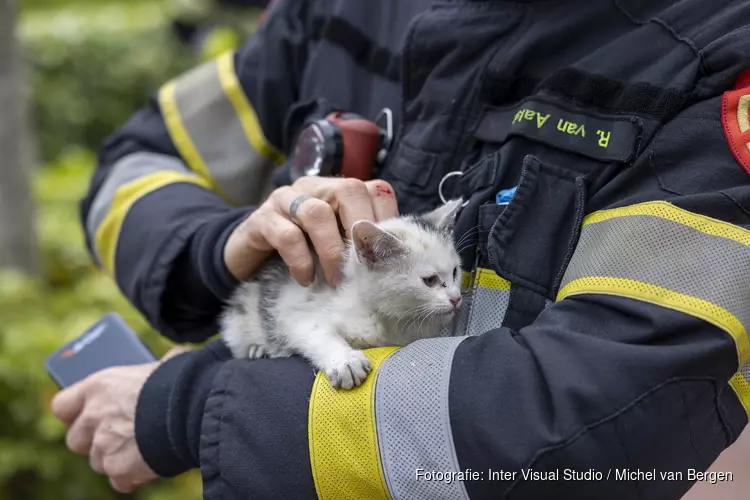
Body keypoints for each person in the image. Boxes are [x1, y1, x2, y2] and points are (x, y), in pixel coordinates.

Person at [52, 0, 750, 498]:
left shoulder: (719, 57)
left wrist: (194, 409)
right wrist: (222, 248)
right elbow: (137, 161)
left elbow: (603, 419)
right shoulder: (333, 11)